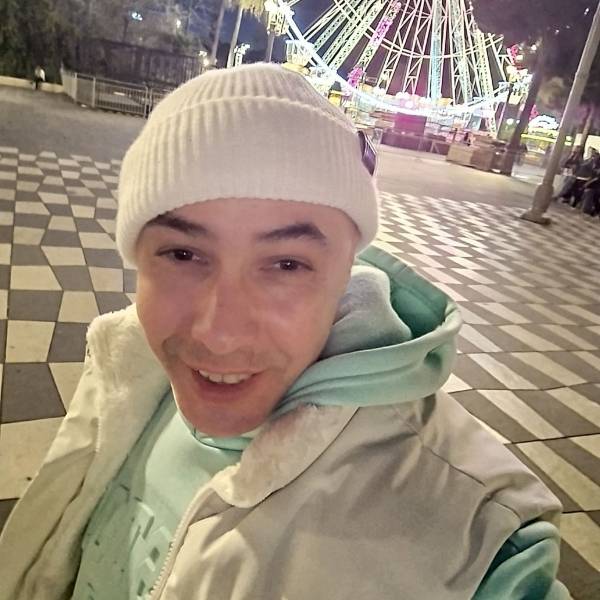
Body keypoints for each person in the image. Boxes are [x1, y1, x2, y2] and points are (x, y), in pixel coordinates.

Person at [0, 64, 568, 600]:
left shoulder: (479, 537)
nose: (219, 335)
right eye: (182, 254)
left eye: (287, 265)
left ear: (347, 273)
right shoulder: (126, 375)